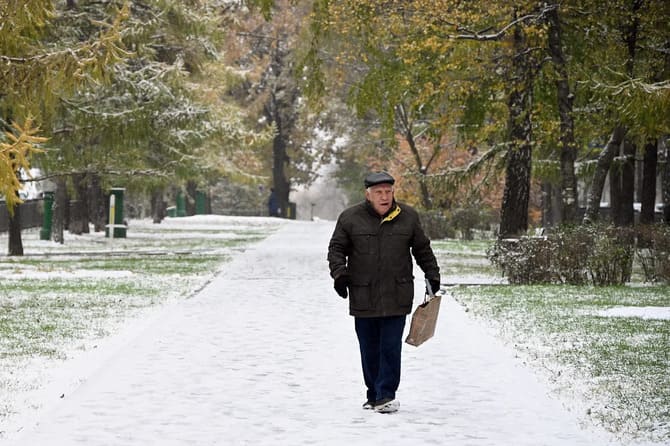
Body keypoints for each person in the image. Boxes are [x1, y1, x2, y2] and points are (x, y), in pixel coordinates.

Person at [327, 171, 440, 414]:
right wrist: (339, 274)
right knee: (369, 348)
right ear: (368, 195)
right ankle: (374, 393)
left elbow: (422, 249)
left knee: (390, 347)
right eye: (379, 192)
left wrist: (432, 273)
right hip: (363, 294)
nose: (384, 196)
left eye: (388, 191)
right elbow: (336, 249)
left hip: (396, 294)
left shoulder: (407, 216)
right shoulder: (350, 218)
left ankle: (386, 394)